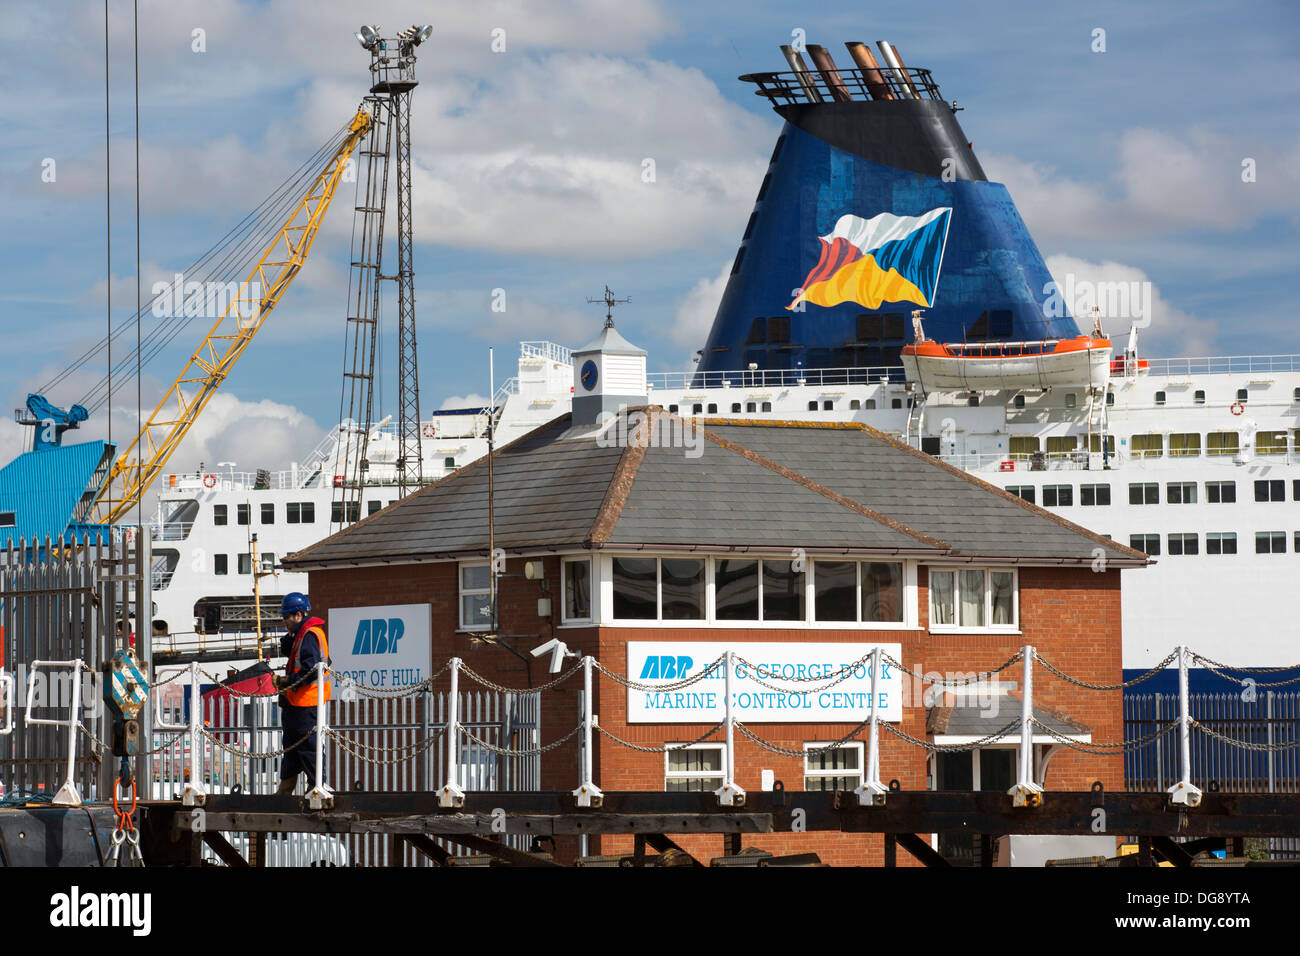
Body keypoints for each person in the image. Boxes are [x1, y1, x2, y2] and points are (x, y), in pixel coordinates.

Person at [274, 592, 331, 796]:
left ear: (298, 615)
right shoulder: (301, 635)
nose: (284, 621)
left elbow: (311, 669)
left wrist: (286, 681)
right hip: (296, 703)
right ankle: (285, 789)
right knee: (291, 749)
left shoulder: (310, 635)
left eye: (286, 617)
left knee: (308, 747)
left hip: (307, 703)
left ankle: (316, 788)